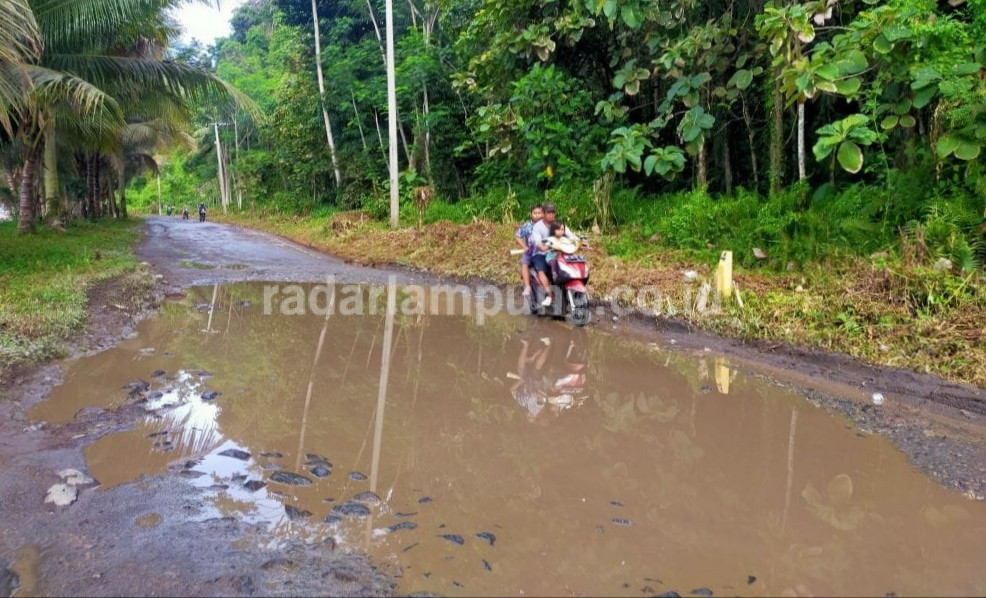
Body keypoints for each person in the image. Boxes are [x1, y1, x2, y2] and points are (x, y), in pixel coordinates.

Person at [529, 203, 576, 306]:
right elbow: (539, 244)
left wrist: (578, 241)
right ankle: (550, 295)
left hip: (558, 252)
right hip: (541, 254)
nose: (551, 215)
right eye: (548, 213)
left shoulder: (559, 224)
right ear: (544, 213)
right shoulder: (537, 227)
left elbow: (571, 235)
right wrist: (545, 246)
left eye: (553, 212)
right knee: (541, 271)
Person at [514, 204, 543, 297]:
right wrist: (524, 247)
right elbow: (517, 236)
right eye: (535, 213)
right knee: (524, 263)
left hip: (546, 251)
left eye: (539, 213)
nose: (537, 215)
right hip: (531, 252)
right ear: (531, 214)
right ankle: (527, 287)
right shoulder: (527, 226)